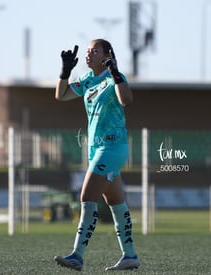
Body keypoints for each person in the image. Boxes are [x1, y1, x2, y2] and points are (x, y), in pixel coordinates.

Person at [53, 39, 139, 271]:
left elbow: (127, 100)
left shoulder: (114, 78)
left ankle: (77, 256)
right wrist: (65, 72)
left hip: (112, 148)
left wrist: (116, 73)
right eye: (88, 51)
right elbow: (61, 95)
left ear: (107, 55)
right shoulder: (87, 79)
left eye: (94, 51)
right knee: (117, 204)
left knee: (86, 197)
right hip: (97, 151)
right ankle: (130, 256)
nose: (89, 54)